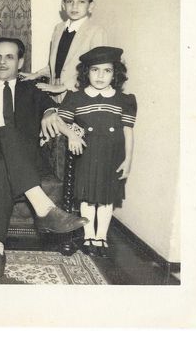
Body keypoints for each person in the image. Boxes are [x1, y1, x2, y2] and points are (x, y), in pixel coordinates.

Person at [0, 37, 88, 284]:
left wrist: (49, 112)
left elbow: (50, 107)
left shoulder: (32, 89)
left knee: (2, 166)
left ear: (21, 62)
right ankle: (44, 208)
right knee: (4, 134)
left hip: (17, 158)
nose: (2, 62)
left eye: (9, 57)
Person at [57, 46, 136, 258]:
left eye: (107, 71)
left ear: (115, 74)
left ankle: (101, 236)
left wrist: (128, 160)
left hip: (112, 156)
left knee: (106, 198)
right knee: (88, 197)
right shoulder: (76, 98)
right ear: (87, 72)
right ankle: (89, 236)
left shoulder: (124, 100)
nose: (100, 76)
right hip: (88, 155)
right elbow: (60, 121)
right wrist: (72, 135)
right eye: (95, 70)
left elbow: (128, 131)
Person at [23, 0, 107, 102]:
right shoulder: (58, 28)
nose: (74, 6)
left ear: (91, 6)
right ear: (63, 5)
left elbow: (96, 69)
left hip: (79, 94)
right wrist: (36, 74)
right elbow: (57, 65)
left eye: (81, 1)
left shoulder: (96, 32)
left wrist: (64, 86)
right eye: (70, 1)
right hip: (54, 93)